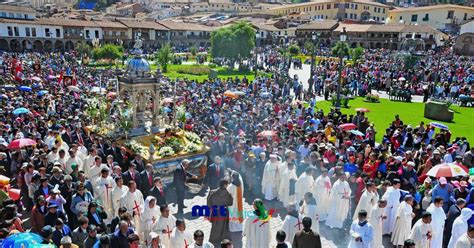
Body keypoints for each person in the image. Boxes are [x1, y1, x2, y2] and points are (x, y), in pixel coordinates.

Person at [207, 179, 233, 246]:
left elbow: (209, 204)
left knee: (214, 226)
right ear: (224, 185)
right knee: (223, 226)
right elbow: (230, 203)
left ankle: (213, 239)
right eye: (227, 184)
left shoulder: (212, 192)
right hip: (223, 212)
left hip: (215, 212)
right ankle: (222, 239)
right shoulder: (228, 194)